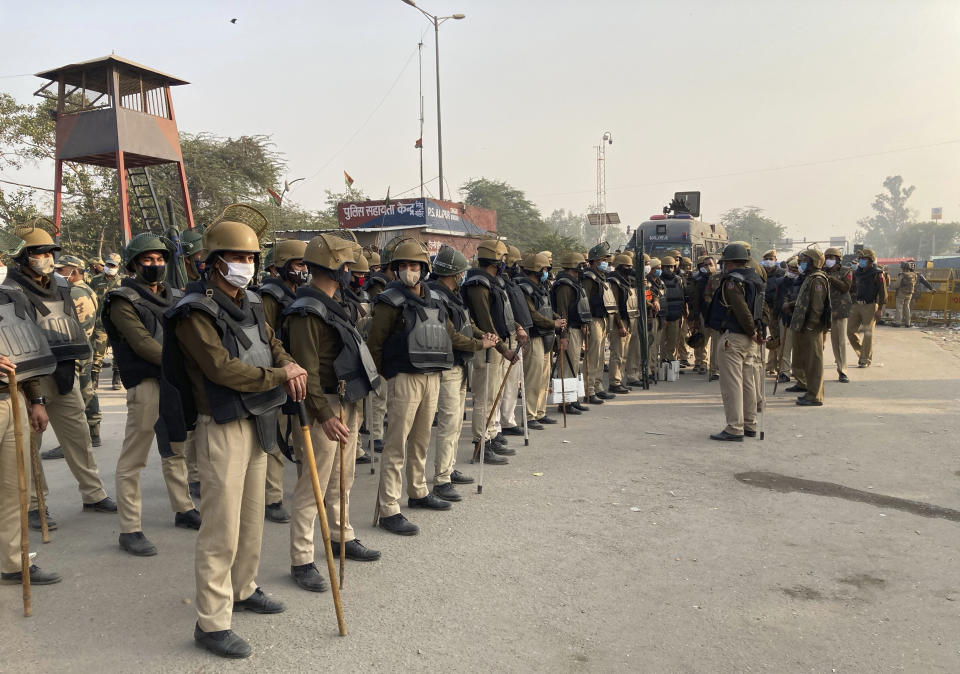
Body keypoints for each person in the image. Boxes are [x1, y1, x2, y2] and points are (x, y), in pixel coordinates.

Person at [159, 208, 307, 659]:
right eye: (237, 256)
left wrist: (287, 361)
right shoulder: (192, 312)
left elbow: (271, 341)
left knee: (252, 518)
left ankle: (244, 588)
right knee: (220, 528)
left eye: (251, 256)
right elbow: (220, 370)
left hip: (258, 417)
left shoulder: (254, 301)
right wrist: (279, 377)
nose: (247, 263)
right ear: (214, 260)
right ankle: (212, 621)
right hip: (221, 422)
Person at [368, 239, 494, 535]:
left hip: (432, 376)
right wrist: (378, 381)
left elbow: (448, 334)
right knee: (397, 443)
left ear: (425, 269)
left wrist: (478, 343)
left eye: (414, 266)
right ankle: (389, 508)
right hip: (403, 378)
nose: (409, 271)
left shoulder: (433, 299)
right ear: (395, 269)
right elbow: (375, 343)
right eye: (403, 266)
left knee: (422, 439)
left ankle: (418, 490)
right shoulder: (388, 301)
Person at [285, 234, 381, 592]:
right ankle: (302, 558)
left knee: (343, 479)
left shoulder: (334, 303)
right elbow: (305, 369)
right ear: (334, 268)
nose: (351, 274)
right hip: (322, 405)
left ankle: (342, 536)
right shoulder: (305, 310)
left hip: (346, 399)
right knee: (313, 485)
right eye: (346, 267)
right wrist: (323, 415)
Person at [5, 226, 116, 529]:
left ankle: (93, 494)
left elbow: (73, 328)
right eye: (38, 253)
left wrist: (77, 369)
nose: (46, 258)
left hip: (64, 372)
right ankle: (33, 506)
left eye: (49, 252)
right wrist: (33, 394)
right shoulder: (10, 290)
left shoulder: (61, 285)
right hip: (31, 380)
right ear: (23, 257)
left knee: (78, 437)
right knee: (29, 447)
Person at [103, 234, 200, 556]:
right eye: (148, 259)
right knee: (134, 458)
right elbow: (142, 343)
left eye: (159, 259)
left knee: (175, 447)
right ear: (133, 264)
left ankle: (184, 508)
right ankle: (129, 529)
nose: (155, 265)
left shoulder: (173, 294)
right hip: (147, 384)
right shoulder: (122, 300)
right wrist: (188, 360)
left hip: (174, 382)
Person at [0, 271, 61, 585]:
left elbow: (29, 355)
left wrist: (36, 399)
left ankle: (13, 563)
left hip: (13, 398)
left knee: (15, 489)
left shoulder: (10, 296)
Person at [428, 246, 499, 501]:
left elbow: (466, 325)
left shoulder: (453, 295)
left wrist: (483, 335)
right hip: (447, 367)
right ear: (453, 273)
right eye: (459, 273)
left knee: (457, 423)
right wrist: (481, 345)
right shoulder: (436, 296)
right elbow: (450, 335)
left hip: (460, 365)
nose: (462, 277)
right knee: (448, 423)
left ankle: (448, 467)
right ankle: (441, 479)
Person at [258, 239, 308, 525]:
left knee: (302, 439)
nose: (303, 270)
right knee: (275, 440)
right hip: (277, 375)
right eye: (299, 264)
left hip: (298, 374)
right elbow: (266, 339)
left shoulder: (298, 292)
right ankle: (272, 497)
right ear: (283, 266)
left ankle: (305, 491)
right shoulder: (270, 296)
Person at [461, 239, 521, 460]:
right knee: (484, 397)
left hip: (496, 346)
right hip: (487, 347)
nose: (506, 262)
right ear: (497, 258)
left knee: (493, 393)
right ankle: (481, 442)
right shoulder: (479, 283)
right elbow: (486, 323)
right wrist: (503, 348)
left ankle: (492, 434)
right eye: (503, 258)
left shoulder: (493, 281)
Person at [41, 255, 102, 458]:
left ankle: (78, 440)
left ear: (74, 271)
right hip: (84, 348)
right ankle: (92, 433)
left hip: (76, 350)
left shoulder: (76, 292)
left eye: (62, 270)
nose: (58, 273)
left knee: (77, 395)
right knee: (87, 390)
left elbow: (78, 326)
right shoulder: (87, 289)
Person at [707, 244, 764, 441]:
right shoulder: (755, 278)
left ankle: (734, 427)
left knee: (732, 384)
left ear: (730, 262)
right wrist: (757, 331)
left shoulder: (733, 282)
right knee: (749, 382)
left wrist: (751, 330)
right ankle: (750, 423)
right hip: (750, 338)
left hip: (735, 336)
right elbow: (759, 309)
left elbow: (741, 310)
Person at [515, 252, 565, 427]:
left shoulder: (541, 287)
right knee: (533, 379)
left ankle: (539, 411)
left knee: (544, 378)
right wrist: (554, 323)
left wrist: (557, 318)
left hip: (546, 336)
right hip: (534, 337)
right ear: (536, 270)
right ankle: (529, 415)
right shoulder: (523, 288)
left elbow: (547, 308)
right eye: (544, 269)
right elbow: (533, 315)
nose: (546, 272)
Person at [787, 248, 831, 406]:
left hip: (811, 327)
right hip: (803, 325)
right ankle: (809, 391)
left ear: (813, 261)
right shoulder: (809, 277)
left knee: (814, 362)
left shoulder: (817, 279)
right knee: (805, 360)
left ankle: (815, 396)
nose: (801, 263)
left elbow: (817, 306)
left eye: (805, 260)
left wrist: (812, 325)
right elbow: (804, 300)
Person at [550, 251, 591, 415]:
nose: (583, 268)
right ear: (574, 266)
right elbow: (562, 312)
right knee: (567, 366)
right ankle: (565, 402)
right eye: (581, 265)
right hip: (569, 330)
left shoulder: (574, 282)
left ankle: (572, 398)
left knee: (574, 366)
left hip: (577, 328)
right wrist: (563, 335)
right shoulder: (564, 285)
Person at [498, 246, 532, 438]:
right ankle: (498, 424)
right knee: (502, 383)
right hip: (506, 337)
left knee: (512, 383)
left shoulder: (510, 283)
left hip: (517, 335)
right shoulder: (500, 284)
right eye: (515, 263)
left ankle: (508, 420)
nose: (518, 266)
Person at [580, 243, 618, 402]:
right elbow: (584, 301)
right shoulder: (589, 277)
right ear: (595, 261)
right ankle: (589, 390)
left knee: (601, 355)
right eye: (603, 260)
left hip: (602, 319)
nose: (606, 263)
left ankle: (598, 386)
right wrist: (586, 323)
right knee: (592, 356)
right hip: (593, 320)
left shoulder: (601, 276)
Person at [847, 248, 886, 368]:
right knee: (850, 331)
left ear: (870, 260)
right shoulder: (856, 272)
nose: (861, 261)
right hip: (856, 305)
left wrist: (880, 309)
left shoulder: (877, 273)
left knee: (868, 333)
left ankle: (865, 359)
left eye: (864, 259)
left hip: (870, 305)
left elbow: (882, 292)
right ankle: (862, 353)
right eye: (861, 259)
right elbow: (851, 288)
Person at [90, 253, 123, 390]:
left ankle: (117, 377)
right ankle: (94, 378)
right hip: (100, 322)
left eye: (113, 265)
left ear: (118, 267)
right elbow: (90, 299)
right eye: (109, 264)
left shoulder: (123, 282)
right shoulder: (96, 280)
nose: (110, 267)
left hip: (118, 322)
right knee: (98, 351)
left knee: (118, 350)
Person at [606, 253, 636, 393]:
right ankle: (614, 382)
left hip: (627, 320)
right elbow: (614, 306)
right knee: (617, 353)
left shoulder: (625, 280)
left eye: (631, 265)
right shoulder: (614, 281)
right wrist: (620, 325)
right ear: (619, 266)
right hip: (619, 322)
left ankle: (619, 380)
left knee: (624, 354)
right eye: (626, 266)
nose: (629, 268)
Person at [823, 248, 853, 383]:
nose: (828, 259)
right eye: (827, 257)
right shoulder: (821, 271)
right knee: (817, 341)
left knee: (840, 341)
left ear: (838, 259)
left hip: (839, 309)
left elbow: (845, 287)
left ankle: (842, 371)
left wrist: (830, 279)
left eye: (831, 257)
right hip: (822, 309)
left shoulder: (846, 271)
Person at [657, 255, 686, 370]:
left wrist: (684, 312)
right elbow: (650, 296)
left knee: (673, 342)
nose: (668, 269)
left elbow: (683, 297)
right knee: (661, 342)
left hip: (675, 316)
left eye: (671, 267)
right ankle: (662, 363)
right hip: (662, 317)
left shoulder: (679, 280)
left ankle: (671, 364)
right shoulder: (658, 280)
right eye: (666, 267)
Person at [894, 261, 933, 328]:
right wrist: (931, 288)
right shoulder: (916, 275)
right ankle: (908, 323)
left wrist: (894, 287)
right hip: (910, 294)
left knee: (899, 308)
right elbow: (924, 282)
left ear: (903, 268)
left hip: (901, 293)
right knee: (907, 308)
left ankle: (898, 322)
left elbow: (896, 285)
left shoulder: (902, 275)